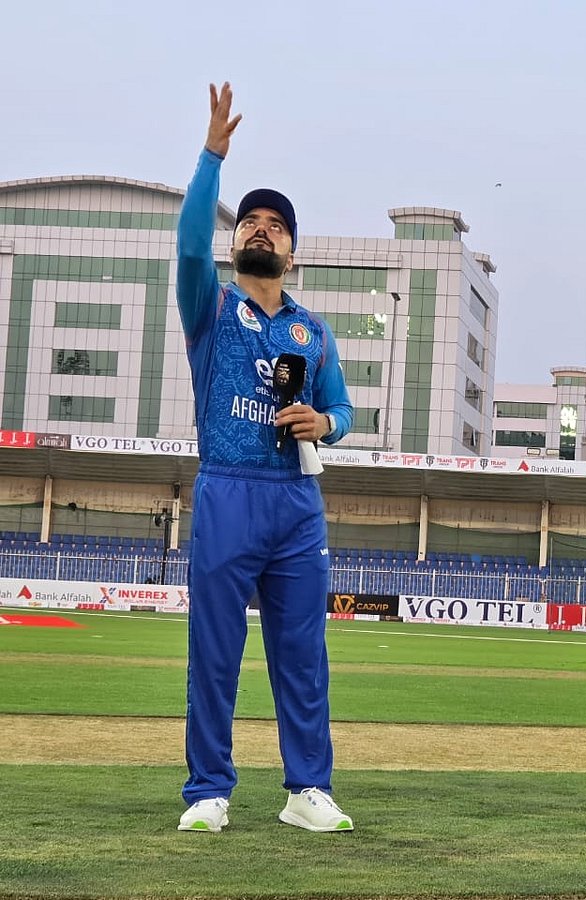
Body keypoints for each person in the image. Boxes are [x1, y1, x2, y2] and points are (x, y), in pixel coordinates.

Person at [175, 83, 355, 834]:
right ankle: (209, 791)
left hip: (294, 499)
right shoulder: (210, 305)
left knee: (302, 659)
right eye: (249, 221)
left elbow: (343, 411)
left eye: (274, 225)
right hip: (227, 489)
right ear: (237, 240)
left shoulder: (313, 331)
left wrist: (326, 423)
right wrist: (213, 155)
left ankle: (306, 790)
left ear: (292, 249)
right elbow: (188, 241)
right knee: (214, 653)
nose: (260, 229)